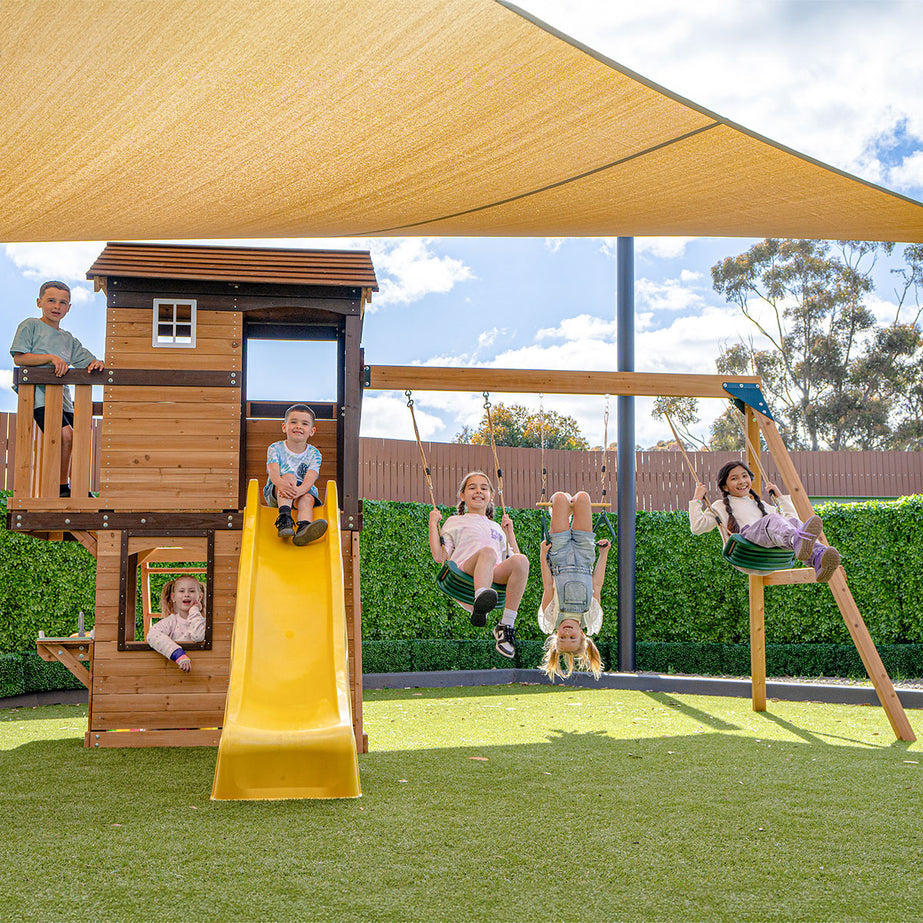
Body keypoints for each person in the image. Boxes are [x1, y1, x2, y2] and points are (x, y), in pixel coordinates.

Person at [9, 280, 105, 497]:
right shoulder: (30, 325)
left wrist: (97, 362)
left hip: (64, 399)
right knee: (66, 437)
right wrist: (51, 358)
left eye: (63, 303)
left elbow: (87, 360)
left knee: (77, 440)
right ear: (39, 302)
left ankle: (77, 486)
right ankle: (62, 488)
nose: (57, 306)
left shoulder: (68, 339)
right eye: (51, 300)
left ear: (68, 308)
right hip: (40, 398)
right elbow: (19, 357)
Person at [429, 470, 529, 659]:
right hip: (464, 574)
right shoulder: (455, 521)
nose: (478, 491)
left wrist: (510, 533)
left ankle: (505, 626)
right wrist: (432, 523)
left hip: (492, 576)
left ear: (491, 496)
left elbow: (513, 556)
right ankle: (480, 599)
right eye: (472, 487)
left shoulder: (497, 527)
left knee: (522, 560)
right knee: (488, 552)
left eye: (484, 488)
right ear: (462, 495)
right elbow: (439, 556)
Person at [689, 460, 841, 582]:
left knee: (792, 523)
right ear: (725, 487)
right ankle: (797, 540)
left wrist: (780, 497)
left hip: (769, 555)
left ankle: (818, 558)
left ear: (750, 479)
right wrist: (697, 498)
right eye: (734, 478)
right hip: (745, 551)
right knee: (774, 520)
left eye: (744, 476)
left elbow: (791, 520)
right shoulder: (720, 506)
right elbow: (697, 527)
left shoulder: (762, 506)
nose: (742, 481)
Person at [537, 491, 607, 681]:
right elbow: (597, 585)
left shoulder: (551, 617)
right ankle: (565, 515)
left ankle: (560, 515)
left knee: (560, 498)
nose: (567, 633)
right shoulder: (590, 617)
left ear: (556, 636)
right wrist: (603, 554)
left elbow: (548, 584)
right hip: (585, 556)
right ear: (582, 634)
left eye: (562, 638)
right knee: (583, 498)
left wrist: (543, 555)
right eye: (572, 638)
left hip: (559, 555)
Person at [264, 403, 327, 546]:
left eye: (304, 423)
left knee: (308, 499)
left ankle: (304, 529)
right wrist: (283, 485)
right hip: (277, 490)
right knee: (290, 477)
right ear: (284, 427)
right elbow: (273, 474)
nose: (298, 426)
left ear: (312, 431)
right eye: (293, 422)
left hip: (302, 490)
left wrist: (298, 491)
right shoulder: (275, 448)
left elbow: (310, 479)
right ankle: (284, 519)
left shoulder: (314, 454)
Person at [147, 576, 206, 672]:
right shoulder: (170, 622)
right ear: (173, 597)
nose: (186, 594)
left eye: (191, 591)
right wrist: (177, 654)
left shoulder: (203, 622)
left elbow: (198, 636)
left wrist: (194, 610)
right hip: (173, 672)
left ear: (200, 597)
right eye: (182, 591)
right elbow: (152, 635)